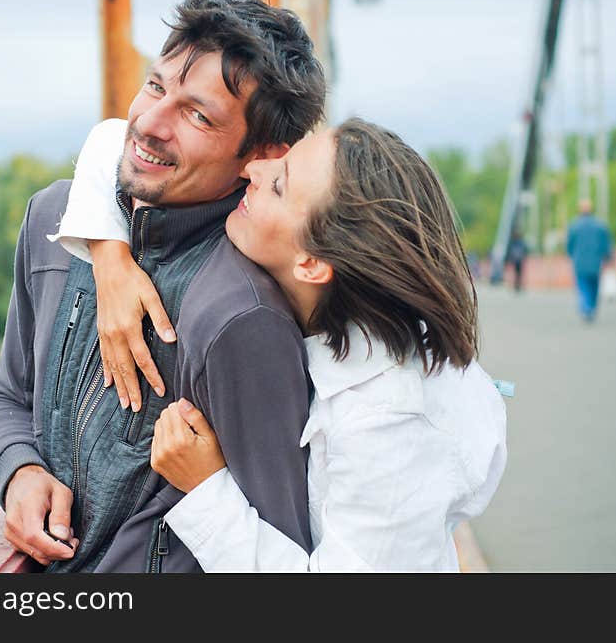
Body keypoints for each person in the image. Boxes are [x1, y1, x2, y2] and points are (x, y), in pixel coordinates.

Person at [0, 0, 326, 572]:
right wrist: (20, 468)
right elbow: (8, 397)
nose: (148, 124)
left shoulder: (244, 315)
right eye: (156, 86)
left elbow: (282, 544)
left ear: (262, 155)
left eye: (198, 115)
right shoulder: (53, 221)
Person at [70, 118, 508, 571]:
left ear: (312, 263)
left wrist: (205, 489)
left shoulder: (389, 428)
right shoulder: (362, 333)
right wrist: (110, 257)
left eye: (278, 183)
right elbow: (113, 137)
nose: (254, 170)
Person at [567, 198, 613, 322]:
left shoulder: (574, 226)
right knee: (594, 286)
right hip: (595, 262)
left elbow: (570, 245)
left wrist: (571, 255)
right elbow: (606, 244)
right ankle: (591, 306)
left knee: (582, 286)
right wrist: (608, 257)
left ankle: (586, 307)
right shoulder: (600, 225)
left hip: (580, 262)